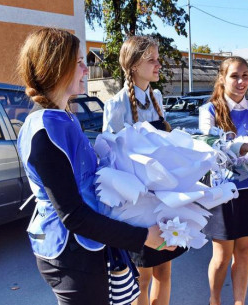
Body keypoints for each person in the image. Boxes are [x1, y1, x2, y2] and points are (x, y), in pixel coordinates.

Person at [15, 28, 171, 305]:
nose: (86, 69)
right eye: (78, 62)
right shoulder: (45, 130)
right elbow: (73, 216)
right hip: (69, 252)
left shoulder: (63, 118)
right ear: (56, 67)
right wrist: (144, 236)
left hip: (86, 245)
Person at [102, 35, 185, 305]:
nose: (158, 64)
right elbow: (109, 158)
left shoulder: (157, 97)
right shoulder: (116, 105)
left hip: (163, 200)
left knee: (165, 270)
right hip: (137, 206)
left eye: (157, 59)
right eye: (152, 60)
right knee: (141, 277)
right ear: (134, 65)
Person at [199, 56, 248, 305]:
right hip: (224, 192)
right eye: (234, 76)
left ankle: (239, 302)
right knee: (221, 255)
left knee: (244, 252)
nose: (241, 81)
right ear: (222, 78)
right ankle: (214, 300)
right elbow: (209, 148)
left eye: (245, 76)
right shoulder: (208, 111)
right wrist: (243, 146)